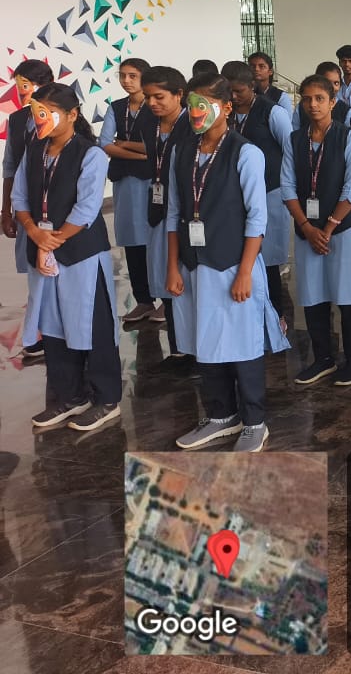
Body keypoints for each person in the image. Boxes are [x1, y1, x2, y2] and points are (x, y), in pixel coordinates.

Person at [168, 74, 288, 453]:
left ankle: (254, 422)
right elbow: (174, 212)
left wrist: (246, 272)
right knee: (205, 342)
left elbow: (257, 218)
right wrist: (172, 266)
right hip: (193, 265)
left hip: (232, 265)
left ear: (227, 108)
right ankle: (221, 416)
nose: (195, 112)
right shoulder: (182, 151)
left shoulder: (246, 153)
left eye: (203, 105)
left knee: (241, 343)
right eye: (191, 105)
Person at [17, 84, 122, 432]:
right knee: (53, 326)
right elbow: (20, 198)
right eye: (36, 113)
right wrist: (34, 233)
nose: (39, 120)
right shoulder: (34, 150)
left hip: (81, 255)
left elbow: (87, 208)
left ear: (72, 115)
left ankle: (106, 399)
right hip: (44, 250)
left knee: (93, 325)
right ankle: (70, 396)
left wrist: (52, 241)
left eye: (46, 113)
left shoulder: (90, 154)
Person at [283, 74, 351, 387]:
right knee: (313, 296)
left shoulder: (349, 137)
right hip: (308, 232)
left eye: (319, 98)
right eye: (307, 99)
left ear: (333, 102)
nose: (312, 105)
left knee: (349, 297)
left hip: (344, 229)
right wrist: (307, 228)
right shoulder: (295, 140)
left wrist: (329, 226)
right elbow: (287, 187)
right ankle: (323, 358)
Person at [222, 61, 293, 326]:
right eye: (229, 92)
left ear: (252, 87)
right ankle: (247, 315)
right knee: (239, 255)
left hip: (269, 192)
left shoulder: (272, 112)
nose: (234, 97)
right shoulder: (225, 113)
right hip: (235, 196)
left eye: (239, 91)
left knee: (269, 258)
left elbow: (290, 151)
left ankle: (276, 315)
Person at [100, 58, 160, 324]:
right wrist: (142, 154)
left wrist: (124, 145)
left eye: (132, 76)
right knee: (132, 244)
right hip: (124, 184)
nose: (126, 81)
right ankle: (144, 300)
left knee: (155, 241)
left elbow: (157, 146)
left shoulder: (156, 106)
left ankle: (165, 299)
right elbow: (105, 144)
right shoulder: (117, 107)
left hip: (150, 183)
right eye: (122, 75)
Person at [141, 66, 194, 360]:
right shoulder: (150, 123)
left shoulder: (192, 126)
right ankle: (177, 350)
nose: (152, 103)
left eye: (159, 97)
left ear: (179, 95)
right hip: (159, 209)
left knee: (185, 281)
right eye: (148, 97)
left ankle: (190, 351)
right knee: (166, 280)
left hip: (185, 212)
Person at [3, 60, 55, 289]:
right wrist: (6, 211)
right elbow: (9, 167)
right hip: (26, 202)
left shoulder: (63, 117)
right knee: (33, 262)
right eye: (18, 87)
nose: (22, 93)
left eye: (26, 86)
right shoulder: (17, 120)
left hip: (56, 200)